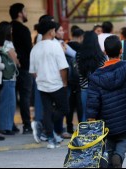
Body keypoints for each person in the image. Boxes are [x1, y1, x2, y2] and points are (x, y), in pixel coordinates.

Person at [87, 35, 126, 168]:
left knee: (109, 146)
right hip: (124, 117)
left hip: (105, 120)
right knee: (124, 141)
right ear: (121, 51)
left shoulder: (96, 76)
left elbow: (93, 100)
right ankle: (119, 155)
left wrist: (91, 117)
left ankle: (112, 160)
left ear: (105, 52)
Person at [29, 20, 69, 149]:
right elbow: (63, 67)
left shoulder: (35, 48)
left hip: (42, 85)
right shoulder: (55, 45)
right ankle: (43, 126)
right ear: (51, 31)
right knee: (64, 109)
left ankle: (51, 139)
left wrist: (40, 79)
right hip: (57, 83)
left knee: (47, 110)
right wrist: (64, 82)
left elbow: (33, 71)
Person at [10, 3, 33, 134]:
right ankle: (27, 125)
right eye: (25, 11)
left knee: (10, 97)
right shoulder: (23, 30)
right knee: (25, 97)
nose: (26, 13)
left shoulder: (8, 28)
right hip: (24, 68)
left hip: (9, 69)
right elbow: (30, 50)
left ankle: (10, 124)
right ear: (20, 13)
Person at [0, 21, 19, 135]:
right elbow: (14, 60)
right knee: (9, 103)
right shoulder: (8, 44)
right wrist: (18, 63)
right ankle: (6, 127)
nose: (12, 31)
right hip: (9, 78)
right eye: (11, 30)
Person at [76, 31, 106, 122]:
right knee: (99, 114)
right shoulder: (101, 56)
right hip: (98, 89)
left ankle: (85, 134)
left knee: (85, 113)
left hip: (84, 89)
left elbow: (78, 71)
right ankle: (98, 134)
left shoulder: (79, 55)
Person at [66, 28, 84, 133]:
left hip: (68, 79)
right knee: (79, 105)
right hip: (79, 80)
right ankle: (81, 127)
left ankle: (69, 127)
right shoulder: (82, 48)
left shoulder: (65, 47)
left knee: (69, 105)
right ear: (81, 37)